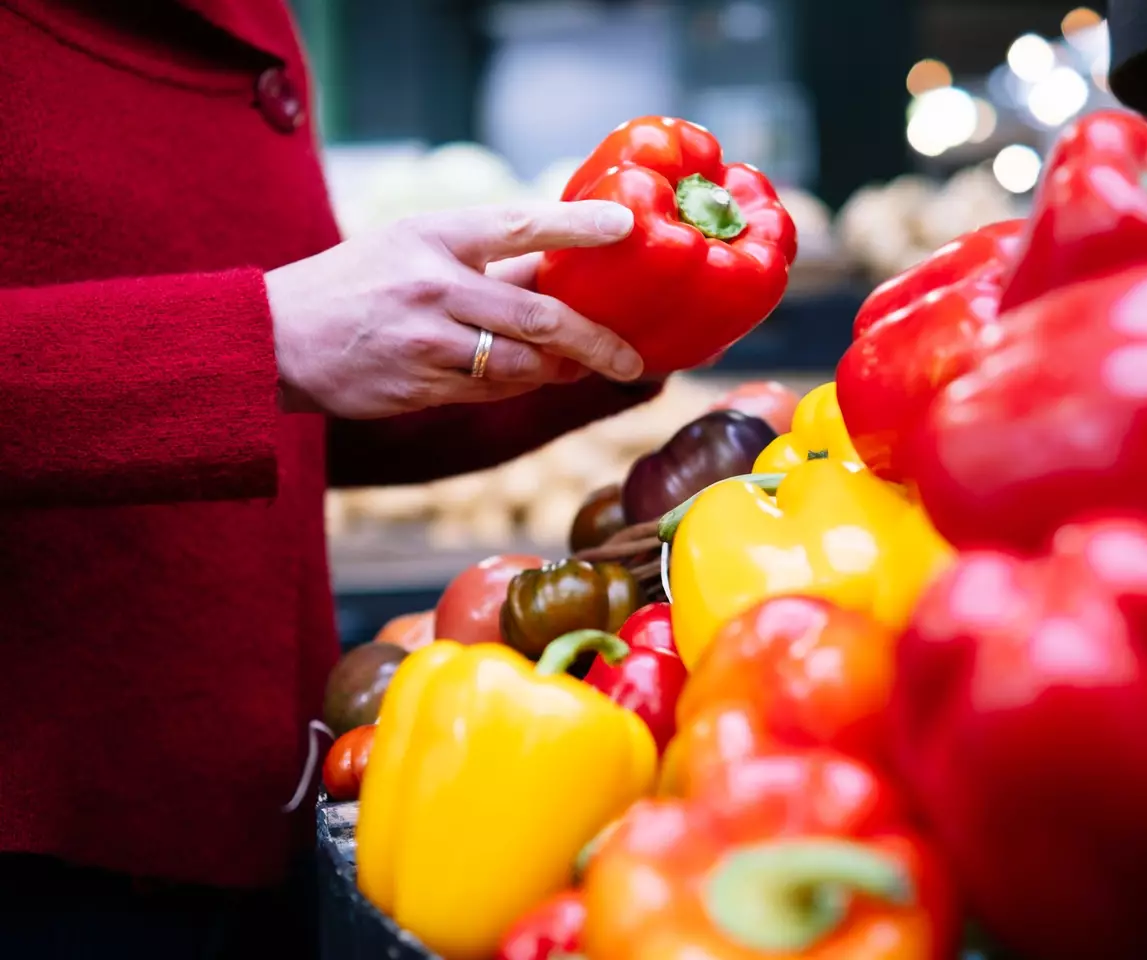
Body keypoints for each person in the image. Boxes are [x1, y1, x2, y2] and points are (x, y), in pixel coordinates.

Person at [0, 1, 666, 956]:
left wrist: (607, 335)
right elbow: (267, 356)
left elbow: (292, 413)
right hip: (42, 842)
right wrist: (263, 337)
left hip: (248, 806)